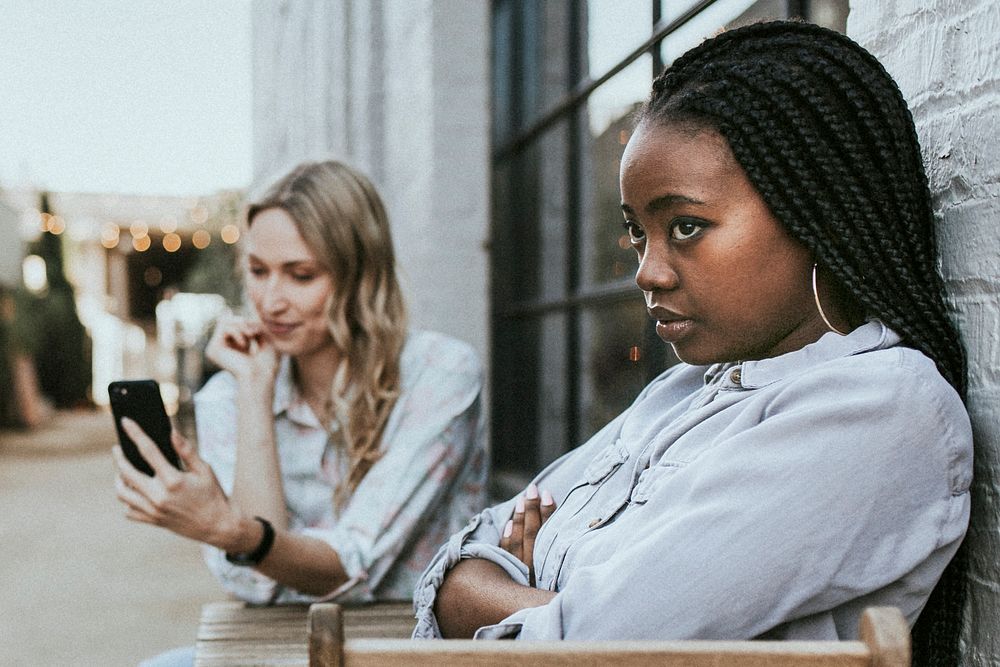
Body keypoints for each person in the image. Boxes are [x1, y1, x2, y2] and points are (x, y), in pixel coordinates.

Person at [413, 20, 972, 667]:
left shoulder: (880, 411)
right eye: (639, 233)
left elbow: (584, 648)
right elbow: (454, 571)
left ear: (818, 214)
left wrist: (520, 588)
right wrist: (539, 601)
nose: (648, 271)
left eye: (686, 226)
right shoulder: (680, 390)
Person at [113, 160, 487, 664]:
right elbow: (256, 582)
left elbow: (353, 566)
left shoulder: (440, 375)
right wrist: (253, 391)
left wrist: (235, 533)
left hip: (406, 647)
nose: (270, 301)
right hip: (273, 645)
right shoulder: (228, 394)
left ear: (360, 275)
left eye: (301, 275)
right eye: (258, 271)